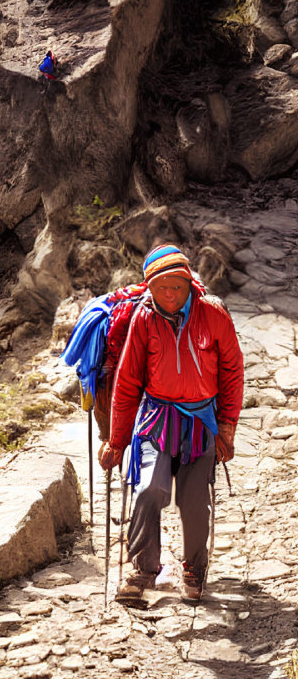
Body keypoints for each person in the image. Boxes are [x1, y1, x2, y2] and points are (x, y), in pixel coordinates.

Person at [98, 244, 244, 603]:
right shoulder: (143, 319)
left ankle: (194, 568)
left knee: (194, 500)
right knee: (150, 489)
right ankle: (143, 568)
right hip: (156, 419)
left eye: (176, 286)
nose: (169, 294)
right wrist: (117, 441)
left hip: (200, 421)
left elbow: (232, 372)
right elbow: (128, 382)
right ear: (149, 288)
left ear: (189, 283)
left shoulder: (213, 315)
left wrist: (226, 427)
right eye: (161, 287)